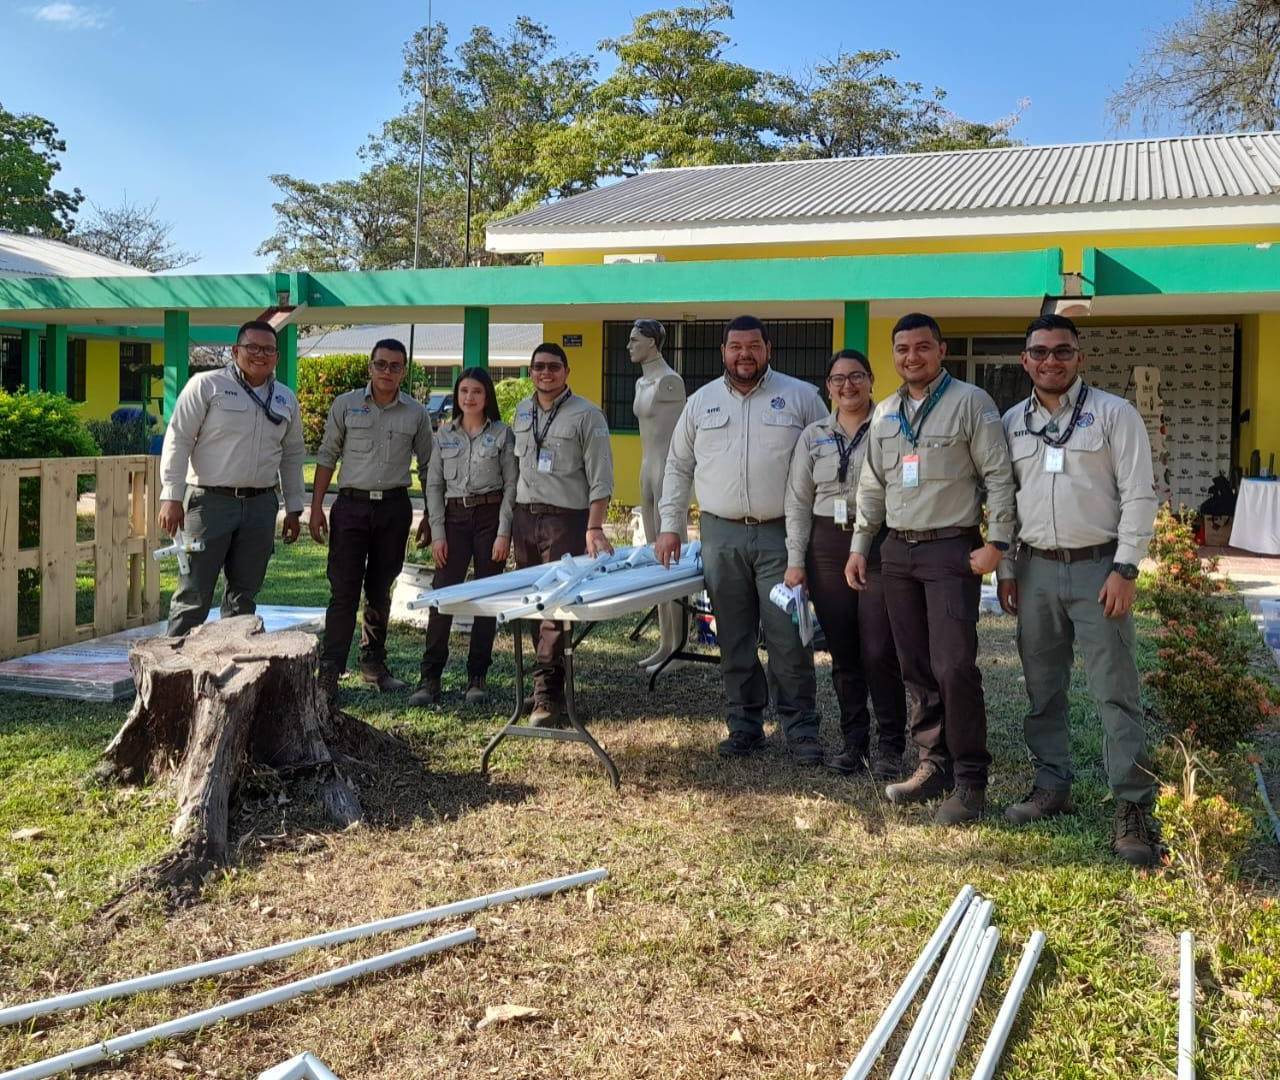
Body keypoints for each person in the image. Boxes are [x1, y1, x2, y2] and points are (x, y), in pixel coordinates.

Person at [996, 314, 1161, 866]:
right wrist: (1007, 569)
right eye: (1039, 352)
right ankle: (1051, 785)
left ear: (1079, 357)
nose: (1050, 361)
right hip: (1035, 568)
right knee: (1043, 690)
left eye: (1062, 351)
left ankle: (1132, 807)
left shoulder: (1115, 414)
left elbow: (1139, 495)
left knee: (1115, 693)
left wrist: (1126, 568)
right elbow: (1004, 499)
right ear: (1025, 360)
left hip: (1099, 570)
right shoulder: (1011, 422)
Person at [845, 312, 1016, 824]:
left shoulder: (971, 403)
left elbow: (999, 477)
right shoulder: (884, 413)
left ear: (941, 350)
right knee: (915, 665)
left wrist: (998, 543)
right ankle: (932, 762)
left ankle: (970, 779)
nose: (911, 357)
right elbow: (872, 486)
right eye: (902, 349)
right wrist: (859, 545)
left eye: (922, 347)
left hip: (951, 552)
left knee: (953, 666)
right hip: (897, 553)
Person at [657, 315, 828, 764]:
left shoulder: (802, 398)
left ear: (768, 349)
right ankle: (745, 725)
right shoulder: (701, 403)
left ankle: (801, 729)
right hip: (721, 534)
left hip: (781, 535)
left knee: (788, 636)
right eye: (735, 346)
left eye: (753, 345)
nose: (744, 354)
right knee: (733, 636)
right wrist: (671, 525)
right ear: (723, 352)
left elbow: (828, 460)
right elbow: (678, 466)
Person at [784, 349, 907, 778]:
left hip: (877, 542)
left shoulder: (892, 425)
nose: (847, 386)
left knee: (878, 650)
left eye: (856, 376)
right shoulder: (813, 434)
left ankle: (891, 744)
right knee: (843, 652)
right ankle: (854, 741)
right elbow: (797, 501)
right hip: (825, 547)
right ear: (827, 387)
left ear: (872, 380)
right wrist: (796, 560)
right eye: (837, 379)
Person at [158, 320, 306, 636]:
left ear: (277, 357)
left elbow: (293, 455)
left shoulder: (285, 399)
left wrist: (294, 508)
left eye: (268, 349)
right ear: (236, 351)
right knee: (194, 594)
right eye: (252, 347)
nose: (260, 355)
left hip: (260, 506)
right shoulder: (206, 385)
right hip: (209, 504)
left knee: (243, 597)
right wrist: (171, 496)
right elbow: (179, 438)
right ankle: (173, 672)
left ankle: (232, 672)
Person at [309, 339, 431, 699]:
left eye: (395, 366)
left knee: (380, 591)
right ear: (370, 367)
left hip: (394, 509)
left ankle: (373, 666)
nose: (387, 372)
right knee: (343, 591)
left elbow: (428, 467)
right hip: (351, 508)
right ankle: (329, 672)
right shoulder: (345, 405)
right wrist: (316, 507)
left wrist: (430, 517)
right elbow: (327, 456)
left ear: (404, 370)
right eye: (381, 364)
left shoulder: (416, 413)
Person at [510, 342, 615, 726]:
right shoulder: (522, 411)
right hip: (525, 518)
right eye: (538, 367)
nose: (545, 373)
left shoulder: (588, 415)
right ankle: (542, 687)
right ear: (531, 371)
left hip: (566, 521)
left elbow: (601, 478)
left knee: (555, 607)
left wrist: (594, 526)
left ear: (566, 371)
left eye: (554, 367)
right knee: (533, 603)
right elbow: (514, 472)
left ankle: (546, 698)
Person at [409, 368, 517, 707]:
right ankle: (430, 678)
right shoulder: (444, 435)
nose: (469, 398)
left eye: (477, 392)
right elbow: (435, 486)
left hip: (489, 517)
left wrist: (503, 532)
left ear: (487, 397)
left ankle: (476, 677)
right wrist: (438, 533)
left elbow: (512, 486)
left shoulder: (502, 434)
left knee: (486, 596)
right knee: (443, 596)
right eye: (464, 391)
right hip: (453, 520)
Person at [628, 318, 688, 671]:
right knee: (657, 560)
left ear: (652, 343)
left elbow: (680, 439)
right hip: (646, 470)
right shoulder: (641, 381)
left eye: (635, 340)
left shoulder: (670, 382)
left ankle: (678, 645)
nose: (629, 346)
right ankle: (665, 643)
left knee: (674, 560)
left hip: (668, 471)